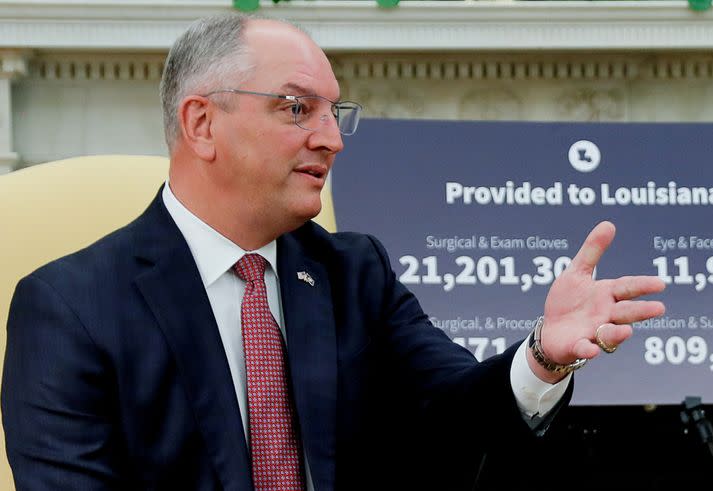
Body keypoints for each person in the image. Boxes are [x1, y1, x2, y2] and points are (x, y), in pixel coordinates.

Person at [1, 13, 665, 491]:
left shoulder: (353, 274)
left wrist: (543, 355)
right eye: (296, 109)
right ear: (202, 123)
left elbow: (455, 414)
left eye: (333, 113)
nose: (331, 139)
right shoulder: (69, 306)